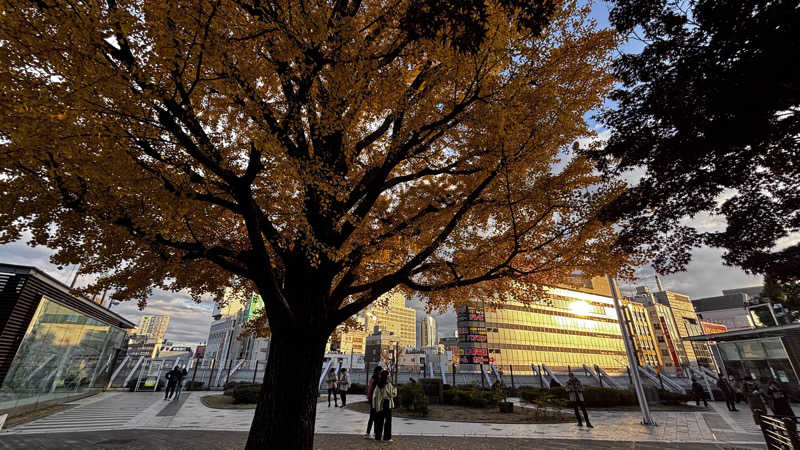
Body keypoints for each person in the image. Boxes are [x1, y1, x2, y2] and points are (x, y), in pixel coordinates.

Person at [372, 369, 397, 441]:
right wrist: (395, 388)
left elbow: (374, 396)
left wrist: (375, 406)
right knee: (387, 421)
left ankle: (378, 437)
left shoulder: (378, 385)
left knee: (380, 421)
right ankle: (387, 437)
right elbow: (393, 394)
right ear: (386, 377)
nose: (389, 377)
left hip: (380, 405)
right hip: (386, 404)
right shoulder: (388, 385)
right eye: (388, 376)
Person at [363, 366, 382, 439]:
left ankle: (371, 432)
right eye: (380, 370)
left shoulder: (373, 377)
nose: (381, 372)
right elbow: (373, 389)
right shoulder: (377, 379)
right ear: (378, 371)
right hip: (375, 399)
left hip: (372, 399)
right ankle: (371, 433)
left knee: (373, 416)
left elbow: (370, 388)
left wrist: (368, 397)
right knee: (374, 416)